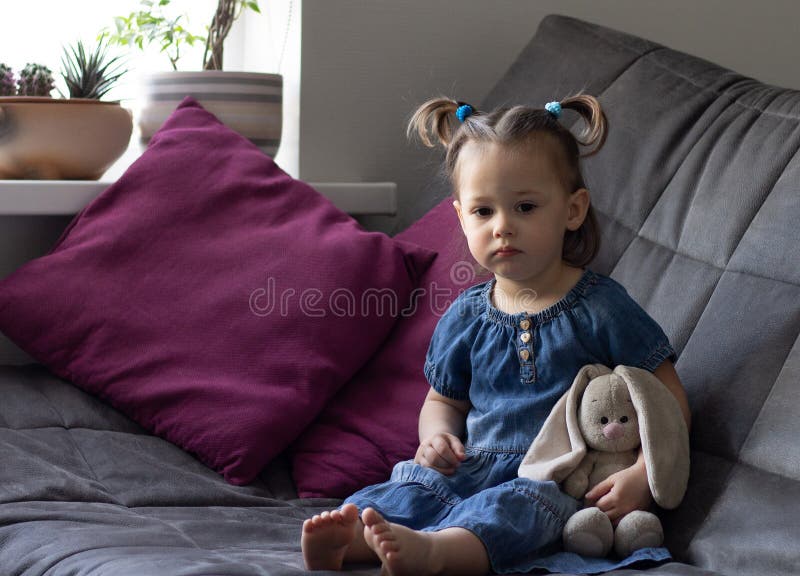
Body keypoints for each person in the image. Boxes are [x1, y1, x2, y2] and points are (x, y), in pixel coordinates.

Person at [300, 95, 691, 576]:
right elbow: (444, 401)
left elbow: (667, 403)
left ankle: (437, 554)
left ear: (572, 210)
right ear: (461, 217)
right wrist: (437, 438)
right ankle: (353, 541)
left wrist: (644, 476)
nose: (503, 227)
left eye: (525, 206)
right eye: (484, 212)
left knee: (516, 509)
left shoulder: (602, 308)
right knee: (411, 486)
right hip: (471, 467)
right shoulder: (466, 315)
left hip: (554, 477)